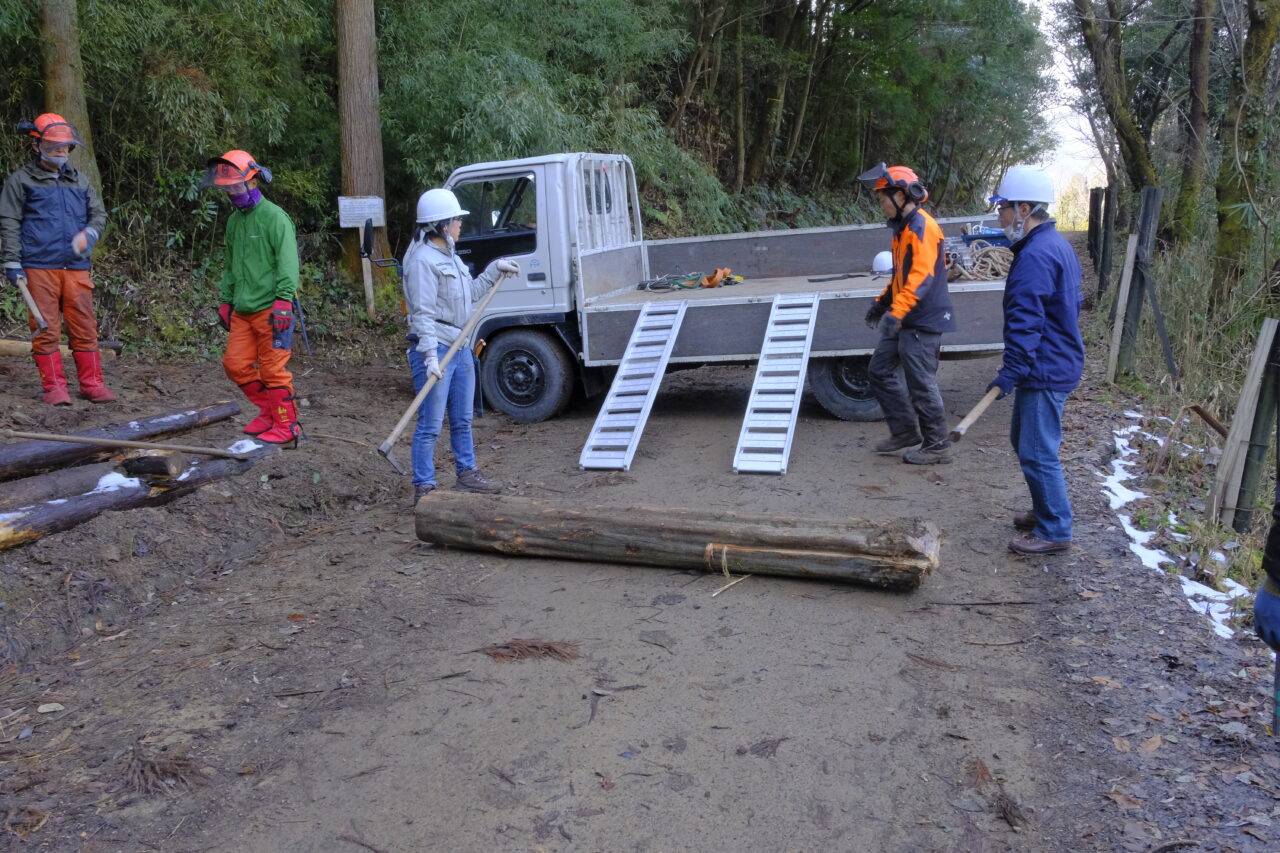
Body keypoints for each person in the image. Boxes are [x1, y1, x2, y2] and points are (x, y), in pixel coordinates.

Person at [984, 165, 1084, 556]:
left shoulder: (1036, 256)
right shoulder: (1054, 245)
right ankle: (1045, 509)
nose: (999, 216)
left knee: (1038, 451)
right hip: (1050, 361)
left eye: (1003, 208)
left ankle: (1056, 527)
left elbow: (1027, 322)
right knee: (1024, 442)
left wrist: (1011, 371)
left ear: (1024, 209)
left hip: (1045, 367)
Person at [404, 188, 519, 503]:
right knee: (430, 423)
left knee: (462, 418)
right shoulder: (422, 262)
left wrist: (495, 270)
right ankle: (424, 486)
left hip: (462, 345)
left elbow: (471, 294)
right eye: (456, 219)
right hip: (437, 349)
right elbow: (422, 314)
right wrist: (428, 356)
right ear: (441, 224)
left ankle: (467, 474)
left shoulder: (451, 257)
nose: (460, 224)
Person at [0, 113, 114, 405]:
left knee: (85, 327)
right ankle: (54, 388)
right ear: (38, 145)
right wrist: (11, 261)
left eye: (65, 147)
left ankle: (92, 384)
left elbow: (98, 214)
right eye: (55, 146)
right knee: (45, 329)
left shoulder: (80, 181)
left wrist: (90, 232)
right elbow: (9, 221)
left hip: (76, 267)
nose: (61, 151)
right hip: (38, 266)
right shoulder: (21, 181)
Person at [857, 162, 956, 464]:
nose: (881, 205)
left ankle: (938, 445)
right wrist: (882, 302)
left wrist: (895, 312)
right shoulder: (903, 230)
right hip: (906, 316)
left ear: (902, 195)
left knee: (921, 384)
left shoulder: (922, 227)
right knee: (879, 370)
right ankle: (904, 432)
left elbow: (922, 277)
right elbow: (902, 274)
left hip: (922, 319)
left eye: (882, 198)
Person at [202, 149, 302, 446]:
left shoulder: (275, 218)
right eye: (227, 188)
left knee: (272, 370)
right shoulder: (235, 222)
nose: (232, 193)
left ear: (253, 181)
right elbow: (232, 266)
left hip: (272, 308)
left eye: (235, 186)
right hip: (243, 310)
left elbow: (288, 263)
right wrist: (226, 300)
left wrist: (284, 301)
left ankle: (288, 425)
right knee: (235, 365)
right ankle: (269, 411)